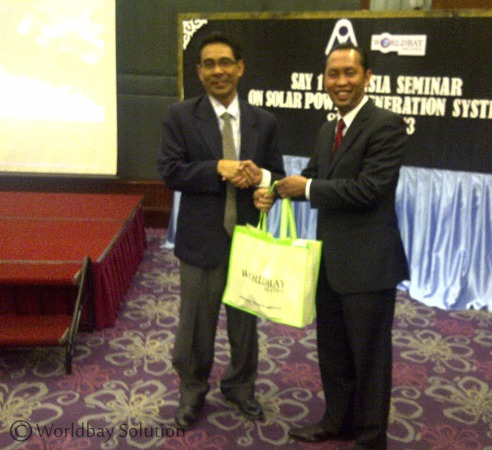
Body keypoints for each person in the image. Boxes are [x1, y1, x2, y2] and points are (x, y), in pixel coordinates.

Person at [275, 43, 409, 449]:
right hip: (330, 263)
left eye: (350, 73)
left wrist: (307, 187)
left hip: (369, 267)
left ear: (367, 77)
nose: (341, 81)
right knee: (333, 351)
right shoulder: (327, 130)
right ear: (324, 79)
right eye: (333, 73)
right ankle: (337, 422)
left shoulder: (386, 125)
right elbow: (313, 176)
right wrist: (273, 189)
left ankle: (370, 438)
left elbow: (369, 189)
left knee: (369, 359)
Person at [157, 33, 285, 430]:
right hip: (201, 241)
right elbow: (170, 171)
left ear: (240, 68)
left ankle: (240, 387)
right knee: (196, 323)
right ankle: (192, 390)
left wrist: (266, 189)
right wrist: (216, 168)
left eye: (225, 62)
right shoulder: (181, 116)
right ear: (199, 72)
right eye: (209, 64)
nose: (218, 71)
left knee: (245, 323)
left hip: (248, 239)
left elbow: (276, 175)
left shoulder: (264, 121)